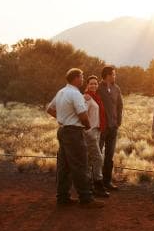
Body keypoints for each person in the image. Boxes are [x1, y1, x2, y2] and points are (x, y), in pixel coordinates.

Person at [46, 68, 104, 208]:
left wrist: (62, 119)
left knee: (64, 166)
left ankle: (62, 197)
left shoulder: (61, 92)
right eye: (82, 77)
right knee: (80, 165)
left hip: (63, 130)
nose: (83, 79)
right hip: (74, 132)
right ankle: (86, 198)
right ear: (76, 78)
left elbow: (49, 109)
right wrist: (88, 127)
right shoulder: (75, 94)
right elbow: (83, 115)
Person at [83, 75, 110, 198]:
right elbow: (82, 115)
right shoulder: (86, 98)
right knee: (98, 158)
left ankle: (89, 186)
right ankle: (98, 185)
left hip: (97, 131)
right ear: (87, 85)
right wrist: (87, 130)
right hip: (90, 132)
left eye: (95, 83)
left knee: (90, 159)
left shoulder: (96, 97)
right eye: (91, 83)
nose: (93, 85)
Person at [98, 65, 123, 191]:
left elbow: (120, 106)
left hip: (113, 127)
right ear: (107, 75)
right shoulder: (98, 88)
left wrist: (118, 122)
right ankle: (95, 182)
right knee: (97, 155)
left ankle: (107, 182)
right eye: (113, 74)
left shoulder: (116, 88)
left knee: (109, 156)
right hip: (101, 128)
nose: (115, 76)